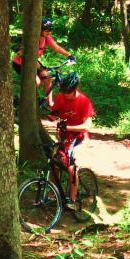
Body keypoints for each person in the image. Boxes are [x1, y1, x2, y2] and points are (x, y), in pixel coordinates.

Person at [44, 71, 94, 207]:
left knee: (72, 168)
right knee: (55, 164)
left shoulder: (84, 102)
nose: (65, 94)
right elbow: (54, 114)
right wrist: (46, 112)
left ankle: (72, 200)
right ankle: (54, 194)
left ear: (74, 90)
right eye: (63, 91)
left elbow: (87, 126)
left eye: (68, 92)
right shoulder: (60, 98)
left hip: (79, 138)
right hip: (64, 138)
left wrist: (69, 128)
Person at [12, 18, 74, 103]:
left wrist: (69, 55)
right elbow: (23, 54)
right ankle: (20, 100)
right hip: (20, 63)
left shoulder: (46, 37)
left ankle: (50, 103)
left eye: (50, 29)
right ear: (40, 30)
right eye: (47, 30)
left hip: (33, 62)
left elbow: (56, 48)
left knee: (47, 77)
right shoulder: (33, 39)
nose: (49, 32)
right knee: (36, 82)